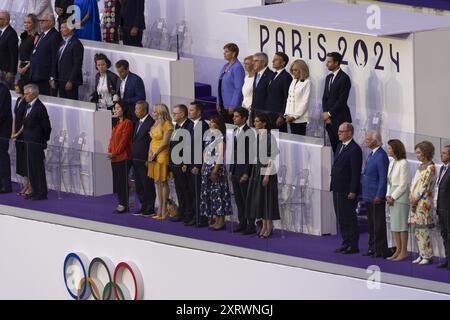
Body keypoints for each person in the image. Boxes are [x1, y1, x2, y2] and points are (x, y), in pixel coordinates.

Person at [246, 113, 280, 238]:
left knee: (267, 199)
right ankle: (264, 225)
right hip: (257, 169)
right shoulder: (257, 137)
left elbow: (272, 157)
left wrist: (266, 175)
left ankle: (269, 225)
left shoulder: (270, 137)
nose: (254, 124)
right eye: (254, 121)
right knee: (260, 199)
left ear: (264, 123)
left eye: (257, 121)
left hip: (267, 170)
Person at [331, 122, 362, 254]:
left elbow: (355, 172)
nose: (338, 134)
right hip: (337, 188)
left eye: (341, 132)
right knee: (341, 217)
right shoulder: (340, 146)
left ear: (349, 133)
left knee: (349, 217)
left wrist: (353, 190)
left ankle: (353, 245)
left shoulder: (355, 149)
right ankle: (345, 242)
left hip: (347, 190)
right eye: (338, 132)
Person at [200, 115, 232, 231]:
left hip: (216, 168)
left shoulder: (220, 138)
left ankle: (221, 221)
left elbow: (220, 155)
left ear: (218, 125)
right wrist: (203, 165)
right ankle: (215, 218)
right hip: (208, 166)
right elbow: (206, 152)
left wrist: (215, 170)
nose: (210, 124)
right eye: (210, 122)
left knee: (219, 194)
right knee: (212, 195)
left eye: (213, 122)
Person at [361, 131, 390, 258]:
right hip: (368, 194)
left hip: (376, 196)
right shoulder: (372, 154)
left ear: (375, 141)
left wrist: (380, 195)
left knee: (378, 224)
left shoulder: (381, 155)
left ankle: (380, 249)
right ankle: (372, 247)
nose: (366, 141)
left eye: (368, 139)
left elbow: (383, 178)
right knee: (371, 224)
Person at [22, 84, 52, 200]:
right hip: (28, 142)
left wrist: (42, 140)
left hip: (36, 143)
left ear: (33, 94)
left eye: (26, 94)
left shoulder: (40, 107)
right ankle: (34, 190)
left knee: (38, 168)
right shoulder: (28, 106)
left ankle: (42, 192)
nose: (25, 96)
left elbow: (47, 127)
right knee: (31, 168)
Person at [409, 141, 436, 265]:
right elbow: (414, 183)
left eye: (419, 152)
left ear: (425, 152)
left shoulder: (431, 167)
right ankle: (421, 253)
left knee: (424, 229)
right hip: (415, 201)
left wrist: (416, 198)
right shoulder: (420, 166)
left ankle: (427, 254)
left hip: (424, 201)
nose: (417, 155)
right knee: (417, 229)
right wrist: (411, 195)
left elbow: (424, 186)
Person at [230, 107, 255, 234]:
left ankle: (251, 225)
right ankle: (242, 223)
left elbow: (251, 154)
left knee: (246, 199)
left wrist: (246, 172)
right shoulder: (235, 131)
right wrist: (231, 170)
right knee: (239, 199)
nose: (234, 118)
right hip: (235, 170)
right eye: (233, 116)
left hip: (244, 171)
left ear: (244, 118)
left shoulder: (249, 132)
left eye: (237, 116)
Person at [185, 101, 210, 227]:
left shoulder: (203, 125)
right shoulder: (190, 125)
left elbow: (202, 148)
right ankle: (194, 216)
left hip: (197, 165)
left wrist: (198, 165)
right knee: (191, 192)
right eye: (189, 110)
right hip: (189, 164)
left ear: (199, 112)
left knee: (199, 192)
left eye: (192, 110)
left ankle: (202, 218)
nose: (189, 112)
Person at [322, 52, 352, 152]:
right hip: (329, 121)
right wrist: (325, 113)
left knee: (342, 150)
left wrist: (329, 114)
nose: (327, 64)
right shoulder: (328, 78)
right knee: (334, 149)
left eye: (329, 62)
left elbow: (342, 100)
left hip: (340, 119)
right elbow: (324, 98)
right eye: (327, 61)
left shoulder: (344, 78)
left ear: (337, 63)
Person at [148, 104, 174, 220]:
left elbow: (164, 142)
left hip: (162, 154)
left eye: (155, 112)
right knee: (157, 181)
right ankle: (159, 207)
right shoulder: (155, 124)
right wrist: (150, 153)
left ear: (160, 113)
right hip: (153, 154)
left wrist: (155, 153)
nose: (153, 114)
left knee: (163, 181)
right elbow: (152, 140)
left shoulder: (167, 124)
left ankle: (164, 208)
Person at [386, 139, 410, 261]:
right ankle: (398, 250)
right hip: (392, 196)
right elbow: (389, 182)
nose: (388, 150)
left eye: (390, 148)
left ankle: (404, 251)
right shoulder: (392, 162)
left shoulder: (403, 163)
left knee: (401, 226)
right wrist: (387, 195)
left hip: (400, 197)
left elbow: (403, 184)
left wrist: (393, 197)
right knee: (394, 225)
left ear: (396, 149)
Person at [168, 104, 192, 223]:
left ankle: (189, 214)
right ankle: (181, 212)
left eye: (175, 113)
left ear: (182, 114)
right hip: (175, 164)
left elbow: (189, 147)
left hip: (183, 165)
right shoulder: (176, 126)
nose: (173, 115)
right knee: (179, 190)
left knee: (186, 190)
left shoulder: (189, 126)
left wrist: (185, 163)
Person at [131, 101, 156, 217]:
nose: (135, 111)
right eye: (135, 109)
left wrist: (149, 158)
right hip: (136, 158)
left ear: (144, 110)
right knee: (139, 184)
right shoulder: (137, 122)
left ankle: (150, 208)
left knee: (147, 184)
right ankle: (143, 206)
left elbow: (152, 142)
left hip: (145, 159)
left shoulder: (151, 122)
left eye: (138, 109)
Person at [108, 100, 133, 213]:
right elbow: (112, 139)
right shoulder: (117, 123)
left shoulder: (127, 122)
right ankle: (121, 203)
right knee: (118, 182)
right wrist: (109, 151)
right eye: (115, 108)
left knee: (123, 182)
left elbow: (124, 141)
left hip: (123, 157)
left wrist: (116, 152)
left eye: (118, 108)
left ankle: (124, 204)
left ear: (124, 109)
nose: (116, 110)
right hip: (114, 157)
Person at [30, 13, 62, 96]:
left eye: (43, 21)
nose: (41, 23)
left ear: (51, 22)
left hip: (45, 77)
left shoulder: (55, 36)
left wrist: (52, 76)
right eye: (40, 21)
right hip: (35, 74)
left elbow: (55, 58)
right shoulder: (42, 34)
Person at [54, 21, 84, 100]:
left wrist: (71, 81)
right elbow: (57, 61)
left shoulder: (76, 44)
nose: (60, 30)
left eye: (63, 28)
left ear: (70, 29)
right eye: (60, 28)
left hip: (69, 82)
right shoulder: (62, 43)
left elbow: (77, 65)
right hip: (60, 80)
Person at [216, 43, 245, 124]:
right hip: (222, 104)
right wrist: (218, 102)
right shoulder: (225, 66)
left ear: (233, 53)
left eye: (227, 51)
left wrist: (233, 105)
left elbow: (238, 88)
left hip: (230, 106)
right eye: (224, 51)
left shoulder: (237, 67)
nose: (224, 53)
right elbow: (220, 85)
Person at [11, 84, 31, 197]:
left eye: (17, 85)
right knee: (21, 161)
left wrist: (18, 133)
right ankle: (25, 186)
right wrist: (13, 131)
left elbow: (25, 120)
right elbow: (15, 116)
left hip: (24, 135)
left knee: (25, 161)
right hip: (17, 134)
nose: (15, 87)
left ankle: (29, 187)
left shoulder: (27, 102)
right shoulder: (18, 99)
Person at [265, 52, 292, 132]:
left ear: (283, 63)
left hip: (277, 116)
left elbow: (286, 98)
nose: (273, 61)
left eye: (276, 59)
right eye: (273, 59)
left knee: (277, 139)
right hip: (268, 114)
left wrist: (282, 115)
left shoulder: (286, 77)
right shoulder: (273, 75)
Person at [284, 59, 310, 135]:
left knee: (300, 140)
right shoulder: (293, 81)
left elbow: (305, 102)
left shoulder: (307, 82)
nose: (293, 72)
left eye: (295, 70)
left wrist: (294, 116)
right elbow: (289, 99)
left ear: (302, 70)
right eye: (293, 70)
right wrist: (287, 114)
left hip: (300, 119)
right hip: (290, 117)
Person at [435, 145, 450, 269]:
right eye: (442, 153)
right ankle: (447, 259)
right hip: (441, 208)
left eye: (444, 153)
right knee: (444, 235)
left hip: (448, 209)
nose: (442, 155)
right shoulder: (442, 168)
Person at [17, 14, 39, 89]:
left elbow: (34, 55)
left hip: (30, 68)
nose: (26, 25)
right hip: (22, 67)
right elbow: (21, 53)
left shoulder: (36, 37)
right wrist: (19, 66)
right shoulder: (24, 36)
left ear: (34, 24)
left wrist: (25, 68)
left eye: (29, 23)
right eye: (25, 22)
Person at [251, 52, 275, 118]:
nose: (253, 63)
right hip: (254, 111)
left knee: (263, 129)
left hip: (265, 114)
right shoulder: (256, 74)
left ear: (263, 62)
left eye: (256, 61)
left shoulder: (271, 75)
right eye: (253, 61)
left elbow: (271, 97)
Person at [0, 11, 18, 89]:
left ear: (6, 20)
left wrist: (11, 71)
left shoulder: (11, 33)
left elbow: (14, 54)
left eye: (0, 19)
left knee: (5, 91)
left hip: (6, 71)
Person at [0, 81, 12, 194]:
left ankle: (6, 185)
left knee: (2, 155)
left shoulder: (3, 90)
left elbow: (2, 112)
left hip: (2, 130)